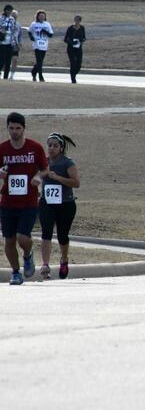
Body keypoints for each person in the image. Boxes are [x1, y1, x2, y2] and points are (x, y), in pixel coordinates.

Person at [0, 113, 48, 285]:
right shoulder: (2, 149)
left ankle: (28, 255)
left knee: (22, 237)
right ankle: (15, 273)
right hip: (7, 202)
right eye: (11, 128)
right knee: (9, 240)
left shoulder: (34, 148)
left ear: (24, 128)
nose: (14, 132)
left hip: (28, 202)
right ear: (7, 128)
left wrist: (38, 177)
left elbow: (45, 169)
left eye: (18, 128)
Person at [38, 133, 79, 279]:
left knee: (62, 235)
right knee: (46, 232)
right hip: (47, 203)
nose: (52, 148)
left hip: (66, 204)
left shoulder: (67, 162)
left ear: (61, 147)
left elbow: (76, 183)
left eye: (55, 146)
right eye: (49, 145)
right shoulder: (44, 162)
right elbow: (36, 177)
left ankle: (64, 259)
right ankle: (45, 265)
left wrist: (58, 178)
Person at [29, 10, 53, 82]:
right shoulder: (34, 24)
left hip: (44, 44)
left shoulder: (47, 24)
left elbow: (51, 35)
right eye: (40, 16)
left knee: (40, 61)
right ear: (37, 16)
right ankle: (40, 76)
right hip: (36, 44)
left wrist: (45, 31)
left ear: (45, 17)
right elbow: (29, 31)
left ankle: (33, 72)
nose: (42, 17)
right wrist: (31, 37)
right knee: (39, 60)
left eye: (43, 16)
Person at [61, 15, 87, 84]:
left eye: (78, 20)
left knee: (79, 64)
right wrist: (71, 42)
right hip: (71, 48)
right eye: (75, 20)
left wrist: (82, 40)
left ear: (80, 21)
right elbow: (65, 39)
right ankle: (73, 79)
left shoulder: (82, 28)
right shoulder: (70, 28)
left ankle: (74, 74)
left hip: (79, 48)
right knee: (73, 63)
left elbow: (84, 38)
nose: (76, 21)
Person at [0, 4, 17, 79]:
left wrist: (14, 42)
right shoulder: (1, 18)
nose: (9, 12)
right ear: (5, 10)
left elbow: (13, 30)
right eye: (8, 10)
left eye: (10, 10)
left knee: (8, 61)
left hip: (10, 43)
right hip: (2, 42)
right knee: (2, 60)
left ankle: (5, 77)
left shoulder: (12, 19)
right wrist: (1, 31)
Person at [8, 9, 21, 80]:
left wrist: (20, 43)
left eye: (15, 16)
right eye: (13, 16)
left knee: (15, 59)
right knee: (5, 60)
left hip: (15, 45)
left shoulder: (18, 25)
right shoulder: (6, 24)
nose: (14, 18)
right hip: (7, 44)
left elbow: (20, 35)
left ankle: (12, 75)